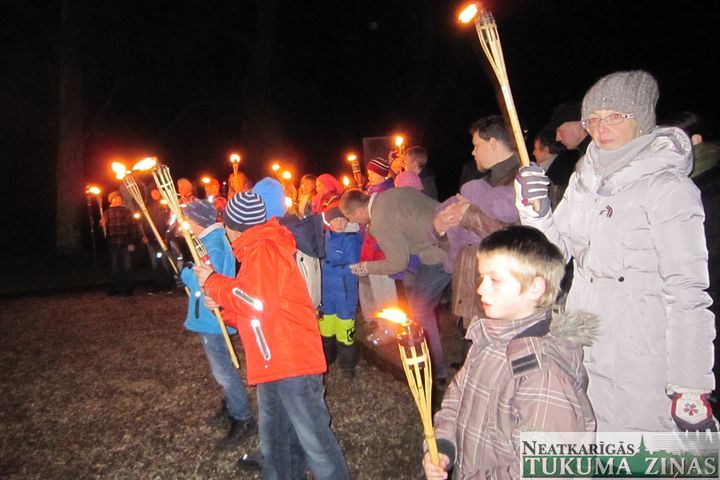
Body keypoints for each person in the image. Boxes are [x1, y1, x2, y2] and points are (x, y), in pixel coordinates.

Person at [516, 70, 716, 432]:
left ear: (641, 118)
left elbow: (687, 290)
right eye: (593, 118)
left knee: (637, 453)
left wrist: (691, 383)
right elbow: (553, 255)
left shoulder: (667, 187)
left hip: (640, 351)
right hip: (580, 335)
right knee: (580, 438)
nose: (601, 127)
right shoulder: (585, 178)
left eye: (614, 116)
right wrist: (536, 211)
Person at [194, 192, 350, 480]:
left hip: (292, 362)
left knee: (315, 442)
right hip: (273, 362)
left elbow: (256, 302)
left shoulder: (264, 250)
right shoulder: (255, 250)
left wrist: (215, 284)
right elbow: (258, 310)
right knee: (276, 440)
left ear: (233, 227)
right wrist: (224, 307)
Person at [422, 226, 596, 480]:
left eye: (495, 280)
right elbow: (456, 400)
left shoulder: (543, 376)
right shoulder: (488, 341)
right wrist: (443, 447)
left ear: (535, 288)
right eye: (482, 277)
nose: (481, 289)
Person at [340, 187, 450, 381]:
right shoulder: (390, 194)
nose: (353, 222)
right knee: (422, 305)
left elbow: (399, 262)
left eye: (351, 217)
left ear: (359, 211)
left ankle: (436, 369)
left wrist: (366, 267)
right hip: (453, 239)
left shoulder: (380, 220)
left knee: (420, 310)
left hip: (439, 253)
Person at [179, 199, 255, 448]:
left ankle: (242, 416)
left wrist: (185, 272)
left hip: (213, 318)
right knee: (221, 367)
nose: (185, 224)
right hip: (210, 315)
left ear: (198, 221)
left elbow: (206, 278)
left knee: (223, 370)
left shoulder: (212, 244)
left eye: (188, 219)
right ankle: (231, 404)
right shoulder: (209, 240)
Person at [318, 204, 361, 378]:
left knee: (345, 327)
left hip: (345, 292)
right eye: (335, 220)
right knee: (326, 326)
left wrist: (327, 268)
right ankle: (327, 358)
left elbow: (353, 266)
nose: (339, 224)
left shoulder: (351, 239)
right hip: (326, 292)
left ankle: (348, 366)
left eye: (342, 220)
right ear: (329, 222)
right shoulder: (324, 238)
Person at [102, 191, 139, 296]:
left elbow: (132, 226)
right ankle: (116, 287)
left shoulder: (126, 211)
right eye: (115, 198)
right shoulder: (107, 212)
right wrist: (102, 224)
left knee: (127, 266)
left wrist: (132, 241)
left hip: (126, 242)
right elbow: (104, 229)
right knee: (115, 267)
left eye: (119, 198)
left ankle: (128, 287)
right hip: (113, 243)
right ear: (111, 200)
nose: (117, 200)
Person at [143, 188, 173, 293]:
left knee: (165, 261)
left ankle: (168, 285)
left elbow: (169, 221)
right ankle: (157, 285)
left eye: (157, 192)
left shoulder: (164, 205)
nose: (155, 194)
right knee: (154, 262)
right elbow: (144, 222)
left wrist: (167, 236)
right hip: (151, 238)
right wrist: (144, 235)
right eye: (153, 192)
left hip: (163, 237)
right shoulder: (146, 206)